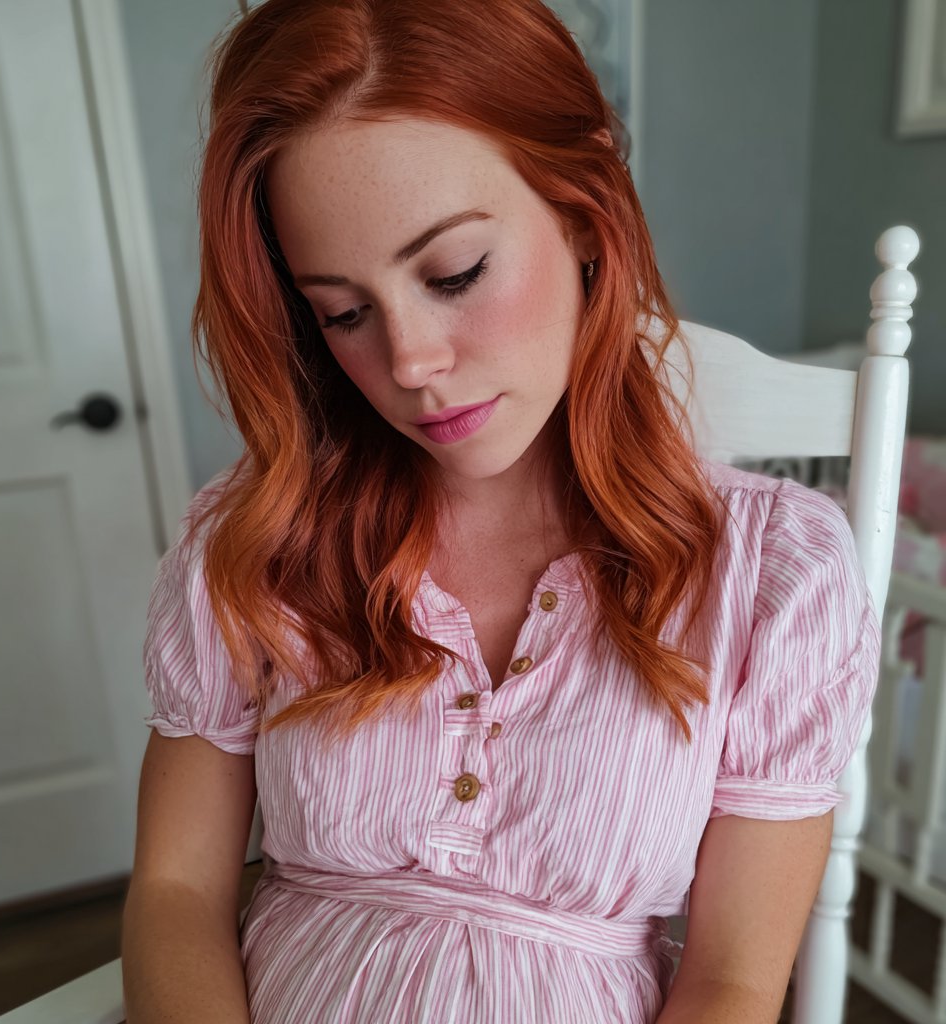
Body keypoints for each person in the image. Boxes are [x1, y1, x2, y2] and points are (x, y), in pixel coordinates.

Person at [120, 1, 881, 1021]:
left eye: (456, 273)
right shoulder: (259, 537)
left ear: (585, 214)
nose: (409, 361)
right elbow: (175, 891)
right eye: (344, 312)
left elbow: (734, 979)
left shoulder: (772, 570)